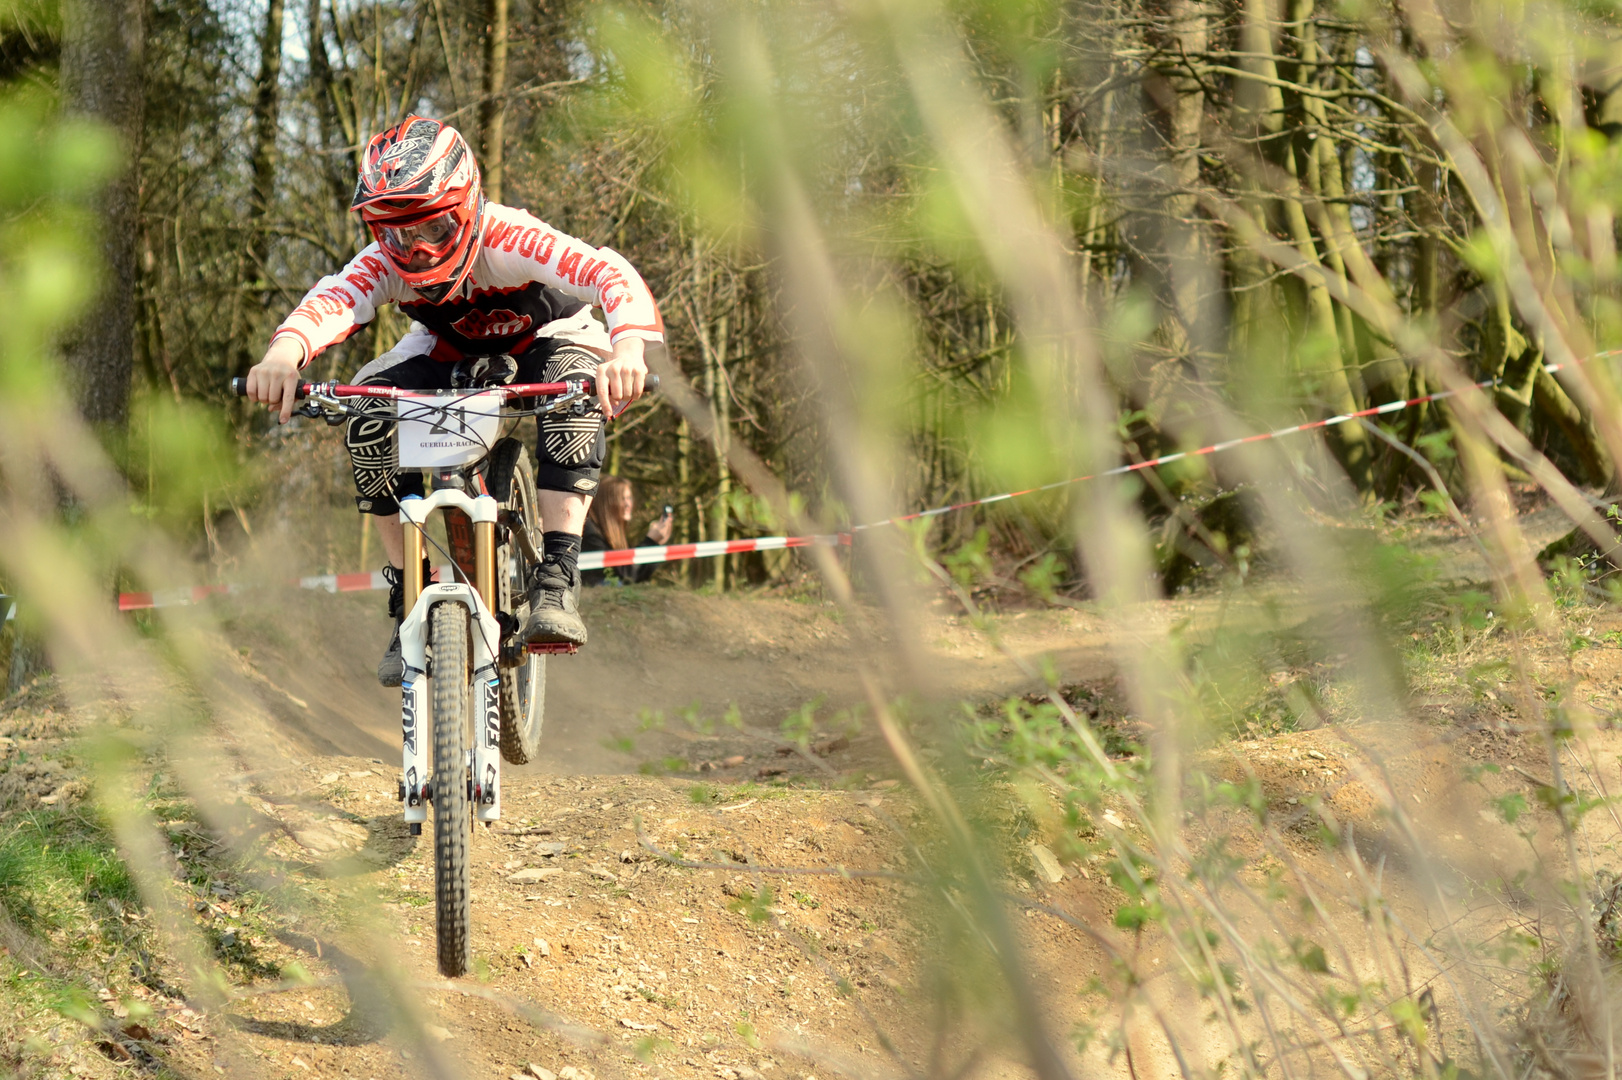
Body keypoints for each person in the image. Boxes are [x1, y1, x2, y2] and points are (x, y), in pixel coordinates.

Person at [242, 116, 664, 686]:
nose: (414, 251)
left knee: (575, 385)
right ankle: (406, 596)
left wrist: (629, 349)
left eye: (434, 229)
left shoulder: (508, 237)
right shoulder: (386, 263)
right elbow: (334, 299)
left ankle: (557, 578)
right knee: (367, 409)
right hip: (448, 350)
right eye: (394, 234)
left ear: (466, 209)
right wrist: (281, 359)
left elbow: (607, 271)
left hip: (549, 337)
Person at [581, 476, 674, 586]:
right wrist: (650, 542)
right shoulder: (590, 533)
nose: (627, 504)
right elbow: (622, 575)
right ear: (605, 503)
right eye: (621, 498)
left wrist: (656, 545)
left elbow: (637, 576)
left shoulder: (612, 535)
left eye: (629, 498)